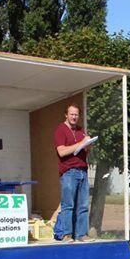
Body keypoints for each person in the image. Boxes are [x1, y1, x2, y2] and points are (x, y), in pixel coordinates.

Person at [53, 104, 93, 242]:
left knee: (83, 205)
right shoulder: (60, 130)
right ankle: (66, 234)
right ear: (66, 114)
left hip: (82, 170)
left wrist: (88, 146)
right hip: (69, 172)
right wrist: (81, 142)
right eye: (71, 114)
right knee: (68, 204)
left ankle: (81, 234)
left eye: (76, 114)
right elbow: (61, 151)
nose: (74, 117)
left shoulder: (81, 130)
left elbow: (84, 149)